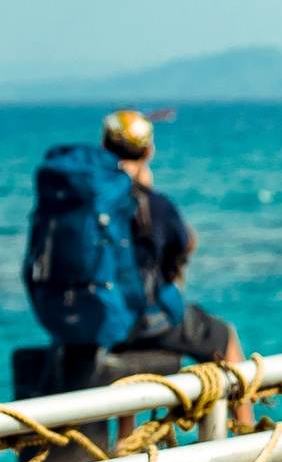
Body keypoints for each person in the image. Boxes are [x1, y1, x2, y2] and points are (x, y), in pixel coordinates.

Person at [19, 109, 248, 401]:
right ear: (149, 151)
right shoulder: (151, 202)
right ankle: (246, 432)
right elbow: (185, 243)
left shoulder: (85, 196)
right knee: (224, 337)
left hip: (76, 317)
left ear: (104, 146)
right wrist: (149, 194)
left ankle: (126, 439)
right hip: (134, 323)